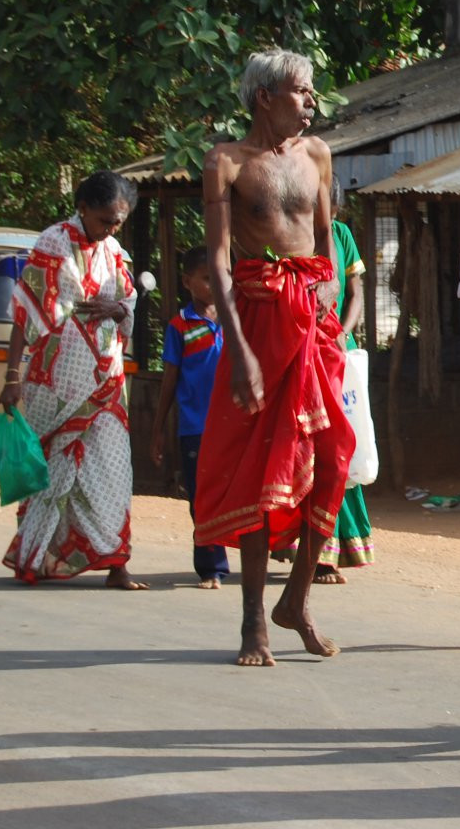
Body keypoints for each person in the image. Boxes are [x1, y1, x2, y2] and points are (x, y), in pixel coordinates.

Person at [195, 48, 354, 666]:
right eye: (300, 91)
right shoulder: (226, 163)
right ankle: (253, 622)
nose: (310, 102)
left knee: (333, 455)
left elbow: (326, 243)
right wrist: (237, 352)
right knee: (263, 472)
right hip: (258, 321)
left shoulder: (317, 155)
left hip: (314, 325)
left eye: (311, 92)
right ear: (264, 97)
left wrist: (328, 299)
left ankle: (298, 599)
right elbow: (217, 261)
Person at [0, 170, 147, 588]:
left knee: (114, 471)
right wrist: (12, 377)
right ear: (82, 208)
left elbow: (127, 301)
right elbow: (25, 312)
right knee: (55, 472)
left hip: (106, 376)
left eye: (118, 221)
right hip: (57, 377)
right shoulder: (53, 243)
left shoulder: (115, 249)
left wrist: (119, 310)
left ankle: (117, 562)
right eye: (105, 219)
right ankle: (39, 557)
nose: (111, 228)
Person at [149, 247, 230, 589]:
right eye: (207, 279)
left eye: (221, 278)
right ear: (188, 281)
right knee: (202, 497)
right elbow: (169, 381)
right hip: (196, 427)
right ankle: (211, 566)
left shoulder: (234, 320)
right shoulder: (180, 326)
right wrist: (157, 431)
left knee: (239, 493)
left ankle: (274, 547)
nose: (216, 285)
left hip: (234, 425)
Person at [316, 176, 373, 582]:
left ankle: (335, 547)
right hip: (304, 348)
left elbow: (354, 291)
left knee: (343, 445)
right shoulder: (289, 236)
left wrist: (342, 329)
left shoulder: (341, 235)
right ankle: (314, 551)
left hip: (338, 349)